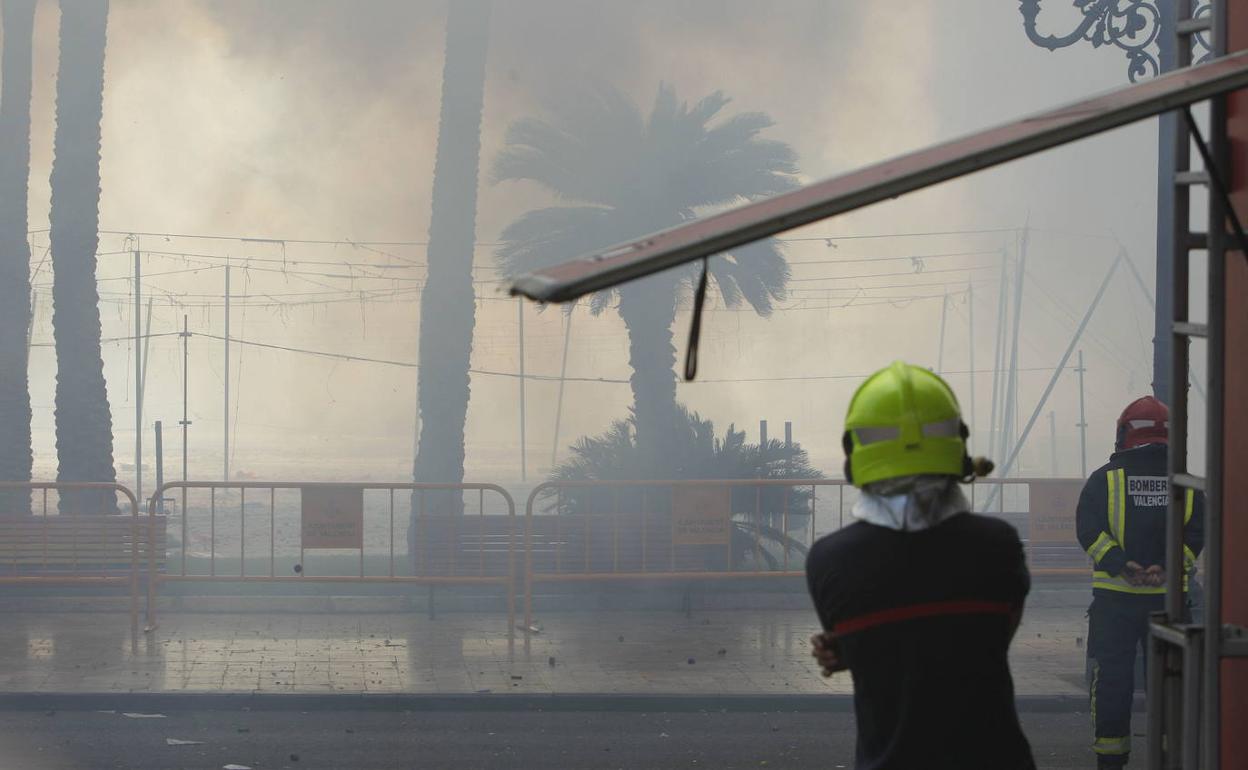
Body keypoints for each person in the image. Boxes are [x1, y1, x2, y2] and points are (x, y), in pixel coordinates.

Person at [805, 361, 1035, 770]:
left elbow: (886, 643)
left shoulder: (830, 560)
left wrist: (857, 648)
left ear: (853, 454)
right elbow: (991, 638)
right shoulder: (998, 546)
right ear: (959, 447)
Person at [1076, 396, 1203, 769]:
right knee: (1170, 684)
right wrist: (1166, 567)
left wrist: (1119, 564)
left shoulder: (1104, 480)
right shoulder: (1187, 484)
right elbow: (1197, 533)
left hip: (1115, 603)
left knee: (1112, 682)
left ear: (1123, 434)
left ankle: (1111, 760)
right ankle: (1171, 759)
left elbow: (1088, 530)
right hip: (1170, 602)